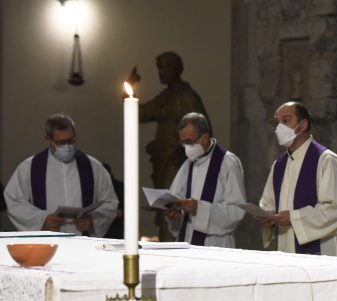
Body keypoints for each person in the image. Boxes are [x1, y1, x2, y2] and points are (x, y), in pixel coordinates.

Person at [258, 101, 337, 257]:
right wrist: (267, 218)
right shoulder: (279, 165)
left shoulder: (326, 161)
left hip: (322, 251)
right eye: (277, 123)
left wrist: (294, 218)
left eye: (285, 120)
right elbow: (268, 203)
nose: (279, 128)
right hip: (287, 249)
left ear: (302, 125)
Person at [133, 51, 209, 241]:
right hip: (163, 159)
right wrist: (130, 92)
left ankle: (172, 242)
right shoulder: (165, 97)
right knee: (165, 208)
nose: (160, 73)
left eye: (164, 68)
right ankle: (167, 238)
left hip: (178, 160)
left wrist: (183, 150)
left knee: (174, 204)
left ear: (176, 69)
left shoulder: (187, 97)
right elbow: (142, 113)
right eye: (159, 69)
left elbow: (203, 131)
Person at [4, 113, 119, 236]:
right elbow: (14, 200)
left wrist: (92, 220)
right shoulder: (29, 167)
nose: (67, 146)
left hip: (81, 240)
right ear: (48, 140)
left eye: (71, 141)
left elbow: (110, 202)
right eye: (60, 143)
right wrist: (42, 219)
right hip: (47, 241)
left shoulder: (93, 166)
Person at [166, 112, 246, 247]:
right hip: (187, 239)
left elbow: (237, 211)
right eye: (182, 143)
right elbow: (176, 198)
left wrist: (200, 209)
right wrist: (176, 215)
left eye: (189, 142)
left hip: (215, 243)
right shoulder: (188, 164)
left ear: (204, 138)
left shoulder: (228, 163)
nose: (186, 147)